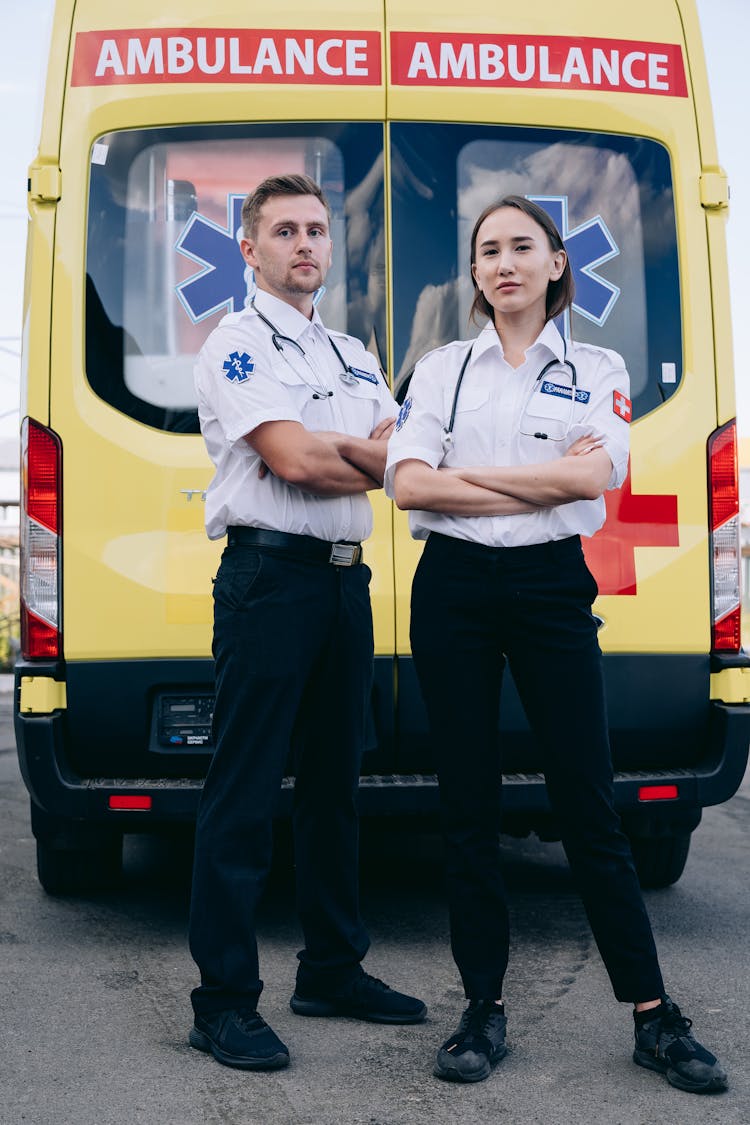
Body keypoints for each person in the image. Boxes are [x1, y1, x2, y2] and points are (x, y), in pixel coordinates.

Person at [385, 195, 727, 1094]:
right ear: (475, 273)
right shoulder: (440, 368)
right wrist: (526, 486)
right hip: (453, 589)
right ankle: (481, 1010)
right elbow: (411, 486)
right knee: (467, 806)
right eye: (487, 251)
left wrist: (473, 479)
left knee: (588, 801)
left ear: (557, 262)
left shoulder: (598, 362)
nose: (503, 264)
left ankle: (654, 1017)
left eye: (521, 247)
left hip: (549, 587)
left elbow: (593, 478)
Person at [189, 173, 426, 1072]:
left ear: (332, 248)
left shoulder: (354, 352)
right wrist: (372, 456)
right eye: (284, 230)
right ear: (249, 249)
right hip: (269, 580)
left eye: (317, 231)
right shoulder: (236, 344)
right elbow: (294, 460)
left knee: (335, 787)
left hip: (341, 585)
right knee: (243, 793)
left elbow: (401, 446)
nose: (304, 245)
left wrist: (369, 454)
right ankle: (221, 1002)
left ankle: (331, 968)